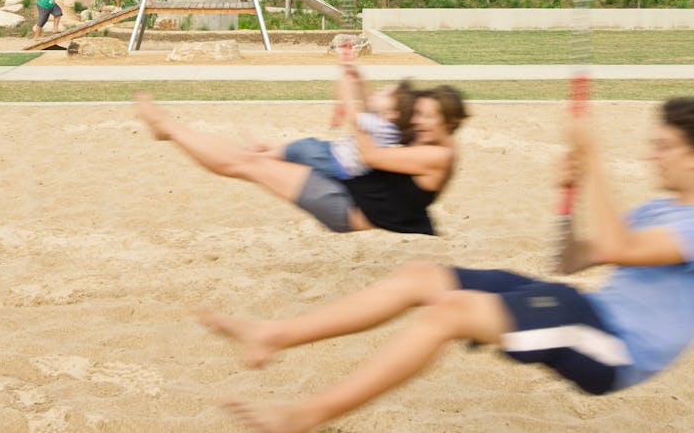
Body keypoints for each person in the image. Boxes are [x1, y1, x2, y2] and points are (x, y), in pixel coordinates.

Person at [200, 97, 694, 433]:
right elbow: (580, 257)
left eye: (664, 145)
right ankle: (272, 336)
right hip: (581, 306)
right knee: (421, 277)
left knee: (450, 313)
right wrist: (574, 186)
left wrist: (594, 160)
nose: (653, 154)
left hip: (613, 348)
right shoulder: (658, 210)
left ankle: (307, 415)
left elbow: (620, 246)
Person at [135, 78, 467, 235]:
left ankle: (168, 129)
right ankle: (170, 129)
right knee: (250, 161)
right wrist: (357, 80)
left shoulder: (436, 156)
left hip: (342, 206)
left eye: (428, 116)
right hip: (344, 188)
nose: (419, 121)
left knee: (247, 164)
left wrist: (350, 103)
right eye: (419, 114)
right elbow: (388, 116)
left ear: (448, 123)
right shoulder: (430, 141)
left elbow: (370, 152)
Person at [253, 44, 416, 181]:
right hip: (336, 154)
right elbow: (369, 101)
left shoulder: (381, 126)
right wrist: (358, 76)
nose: (378, 93)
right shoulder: (389, 126)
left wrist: (345, 87)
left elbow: (354, 116)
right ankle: (265, 146)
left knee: (302, 149)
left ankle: (258, 159)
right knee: (306, 144)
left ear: (394, 113)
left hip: (337, 163)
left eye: (384, 94)